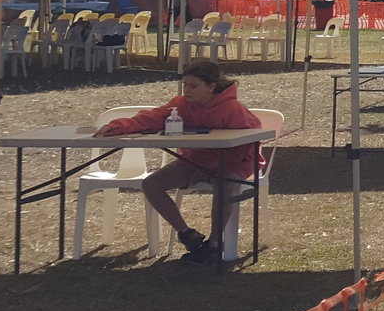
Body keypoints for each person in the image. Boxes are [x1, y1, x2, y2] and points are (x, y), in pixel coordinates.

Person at [97, 61, 263, 265]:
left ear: (211, 87)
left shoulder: (232, 109)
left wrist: (215, 163)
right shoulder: (181, 105)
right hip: (194, 160)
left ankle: (214, 243)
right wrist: (117, 126)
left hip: (234, 162)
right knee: (151, 184)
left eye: (194, 86)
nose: (187, 90)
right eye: (185, 85)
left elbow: (252, 139)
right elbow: (152, 118)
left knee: (225, 184)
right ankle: (187, 234)